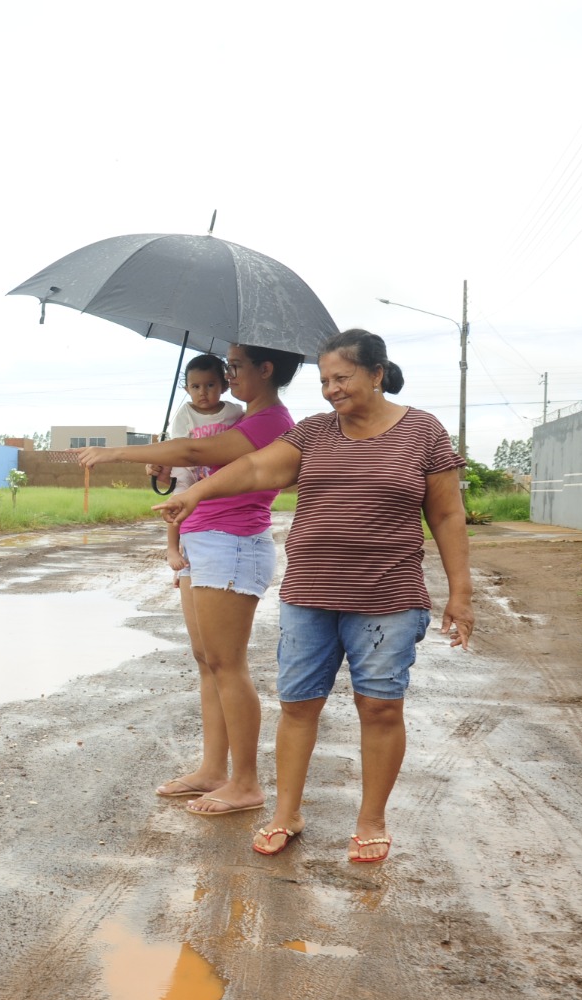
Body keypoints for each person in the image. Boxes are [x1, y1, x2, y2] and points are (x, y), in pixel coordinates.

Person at [157, 328, 474, 863]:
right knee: (299, 706)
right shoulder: (314, 433)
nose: (331, 390)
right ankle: (286, 813)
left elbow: (446, 514)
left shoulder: (424, 432)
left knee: (378, 708)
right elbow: (258, 467)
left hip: (388, 596)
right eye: (325, 380)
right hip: (309, 593)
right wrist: (195, 492)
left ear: (377, 374)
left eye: (342, 378)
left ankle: (370, 820)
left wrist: (460, 594)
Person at [78, 344, 302, 817]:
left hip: (233, 541)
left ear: (266, 369)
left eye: (235, 367)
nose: (228, 374)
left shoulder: (271, 422)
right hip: (203, 539)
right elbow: (193, 460)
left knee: (227, 662)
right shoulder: (243, 419)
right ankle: (213, 770)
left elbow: (198, 448)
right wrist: (163, 469)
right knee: (207, 661)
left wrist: (115, 450)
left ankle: (245, 783)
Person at [150, 353, 244, 584]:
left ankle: (189, 561)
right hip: (189, 468)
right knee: (177, 502)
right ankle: (173, 549)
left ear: (223, 385)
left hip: (218, 470)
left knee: (202, 516)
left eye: (210, 385)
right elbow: (179, 447)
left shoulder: (234, 412)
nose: (202, 392)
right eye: (195, 386)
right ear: (186, 389)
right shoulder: (185, 414)